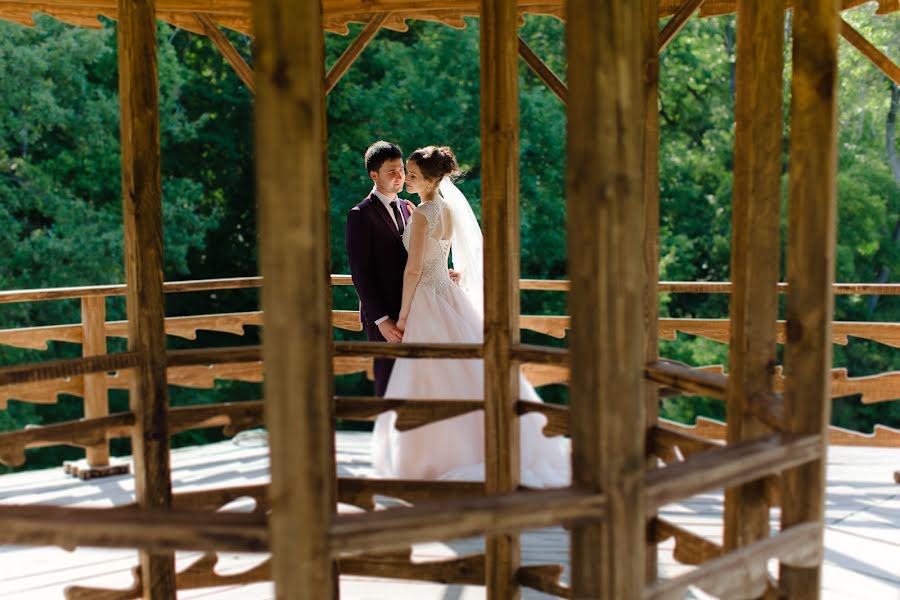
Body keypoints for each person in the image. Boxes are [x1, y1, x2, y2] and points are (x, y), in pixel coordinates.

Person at [372, 146, 570, 487]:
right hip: (448, 295)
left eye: (414, 174)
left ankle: (430, 459)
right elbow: (443, 258)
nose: (407, 178)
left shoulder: (421, 214)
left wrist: (403, 316)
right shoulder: (446, 209)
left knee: (429, 375)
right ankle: (477, 449)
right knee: (462, 372)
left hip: (426, 301)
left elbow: (414, 269)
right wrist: (445, 273)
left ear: (431, 178)